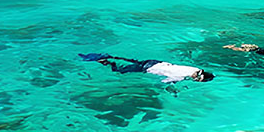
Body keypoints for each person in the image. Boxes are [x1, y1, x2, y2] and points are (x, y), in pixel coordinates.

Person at [79, 53, 214, 83]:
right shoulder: (181, 77)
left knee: (128, 60)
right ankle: (105, 61)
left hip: (156, 62)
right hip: (148, 68)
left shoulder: (192, 68)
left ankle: (109, 56)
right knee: (117, 71)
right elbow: (164, 82)